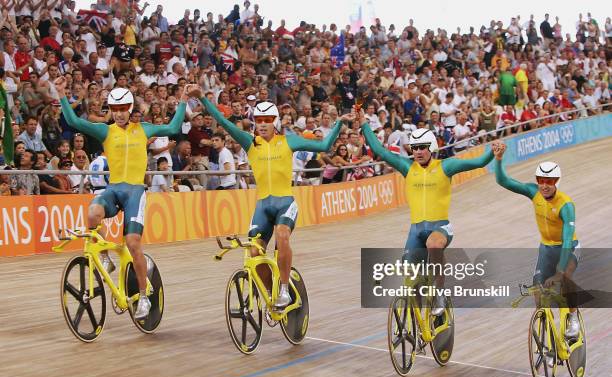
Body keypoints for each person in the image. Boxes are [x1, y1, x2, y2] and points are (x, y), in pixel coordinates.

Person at [198, 91, 353, 307]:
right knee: (254, 252)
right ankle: (271, 294)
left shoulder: (288, 141)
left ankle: (283, 289)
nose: (262, 124)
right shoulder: (250, 142)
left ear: (275, 122)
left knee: (282, 236)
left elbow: (323, 146)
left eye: (267, 120)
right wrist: (201, 98)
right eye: (258, 121)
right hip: (262, 206)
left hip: (285, 204)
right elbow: (223, 121)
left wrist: (339, 124)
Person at [56, 76, 191, 320]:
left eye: (122, 110)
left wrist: (182, 101)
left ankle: (143, 296)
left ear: (129, 110)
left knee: (132, 242)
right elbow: (73, 120)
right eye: (114, 110)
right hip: (114, 189)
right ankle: (105, 258)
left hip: (135, 192)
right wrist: (61, 94)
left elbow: (172, 129)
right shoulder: (104, 130)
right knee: (92, 214)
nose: (118, 114)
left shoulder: (145, 129)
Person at [362, 119, 499, 315]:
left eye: (422, 147)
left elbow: (477, 163)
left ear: (432, 147)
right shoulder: (408, 167)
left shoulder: (446, 166)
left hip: (440, 228)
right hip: (415, 232)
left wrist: (492, 151)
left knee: (434, 244)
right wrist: (363, 124)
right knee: (411, 280)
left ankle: (439, 293)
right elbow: (380, 151)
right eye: (415, 148)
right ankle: (420, 327)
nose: (418, 152)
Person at [494, 147, 580, 339]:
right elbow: (503, 181)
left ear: (556, 181)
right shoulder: (533, 192)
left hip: (568, 247)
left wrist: (559, 270)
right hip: (546, 248)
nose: (544, 185)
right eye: (540, 180)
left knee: (565, 276)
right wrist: (498, 160)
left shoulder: (566, 205)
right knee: (538, 289)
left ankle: (572, 317)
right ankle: (546, 331)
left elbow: (567, 239)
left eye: (548, 181)